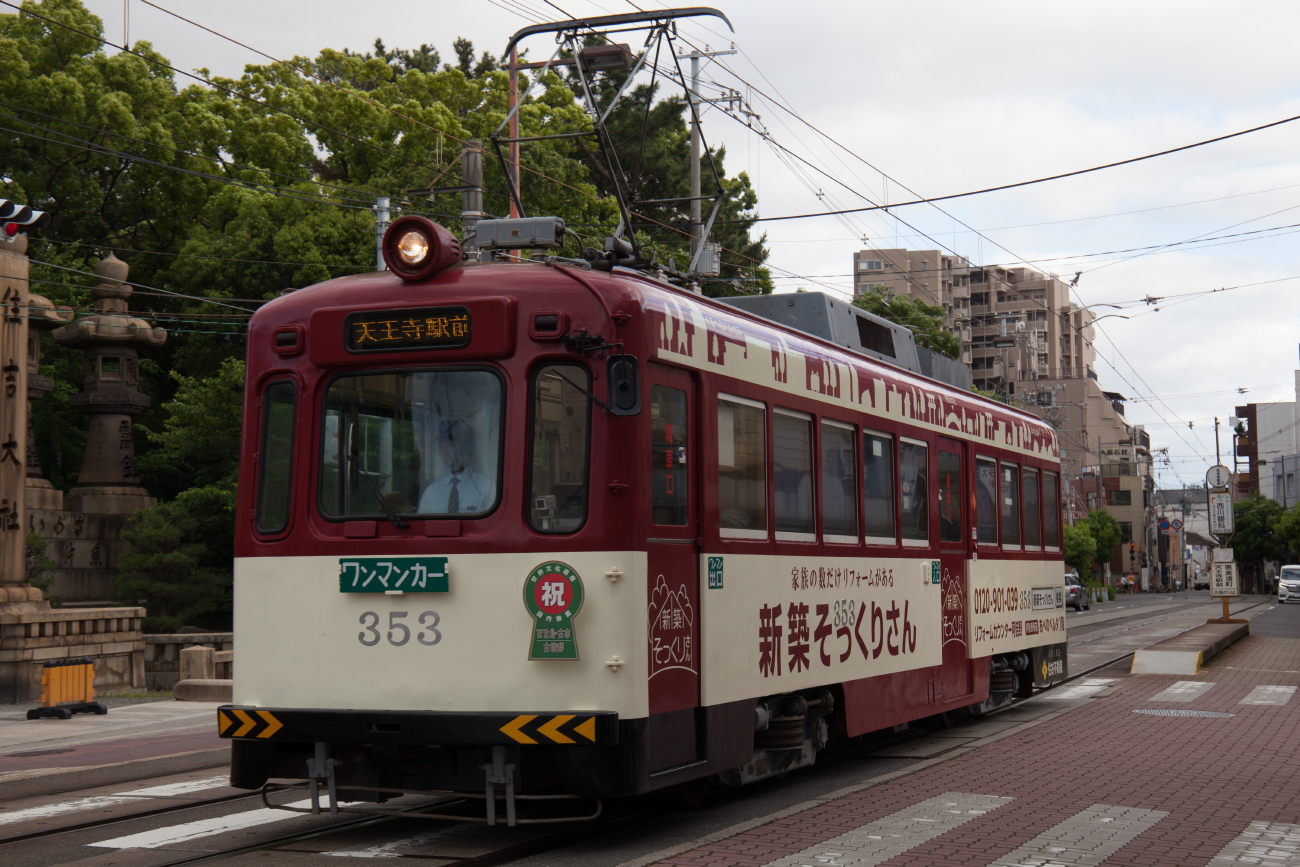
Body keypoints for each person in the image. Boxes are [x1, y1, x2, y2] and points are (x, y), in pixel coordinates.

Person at [419, 419, 493, 514]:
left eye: (451, 444)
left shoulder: (486, 487)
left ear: (468, 448)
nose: (444, 451)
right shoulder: (432, 491)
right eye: (441, 446)